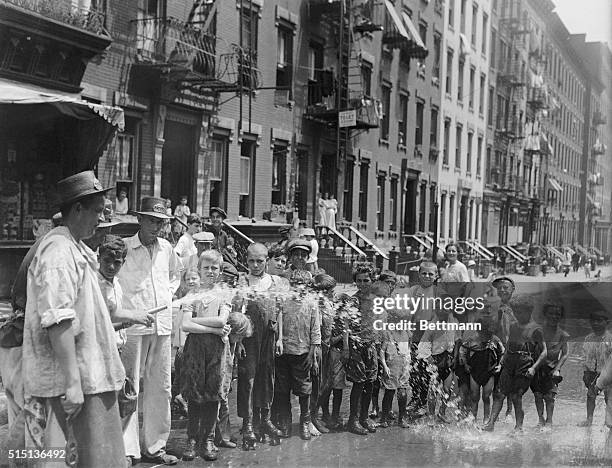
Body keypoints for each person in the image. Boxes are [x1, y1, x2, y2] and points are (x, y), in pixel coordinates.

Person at [22, 171, 126, 467]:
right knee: (65, 457)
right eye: (97, 211)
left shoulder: (75, 247)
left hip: (90, 376)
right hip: (73, 383)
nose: (101, 219)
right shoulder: (58, 253)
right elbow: (58, 320)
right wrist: (72, 384)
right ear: (77, 209)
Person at [118, 196, 183, 465]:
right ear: (140, 219)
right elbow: (112, 282)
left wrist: (166, 297)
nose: (157, 227)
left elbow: (175, 276)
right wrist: (129, 310)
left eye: (162, 222)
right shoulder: (125, 248)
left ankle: (155, 446)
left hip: (162, 325)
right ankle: (127, 449)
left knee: (161, 388)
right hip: (134, 326)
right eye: (152, 221)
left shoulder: (167, 248)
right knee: (129, 387)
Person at [180, 250, 231, 461]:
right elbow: (184, 325)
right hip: (195, 349)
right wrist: (214, 328)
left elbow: (222, 320)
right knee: (194, 394)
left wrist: (199, 323)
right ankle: (192, 439)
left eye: (214, 268)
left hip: (217, 349)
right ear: (199, 270)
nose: (210, 271)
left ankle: (209, 439)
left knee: (213, 392)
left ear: (219, 271)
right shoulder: (192, 294)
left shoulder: (224, 293)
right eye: (206, 268)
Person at [234, 243, 285, 449]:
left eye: (260, 261)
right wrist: (237, 342)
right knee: (248, 379)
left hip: (269, 337)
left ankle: (264, 419)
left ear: (266, 260)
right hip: (249, 338)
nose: (255, 265)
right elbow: (237, 314)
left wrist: (280, 338)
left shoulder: (276, 282)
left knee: (267, 378)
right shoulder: (243, 281)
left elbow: (279, 310)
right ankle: (247, 424)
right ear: (246, 260)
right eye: (251, 261)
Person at [272, 239, 321, 440]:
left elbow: (315, 326)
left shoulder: (311, 301)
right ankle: (284, 421)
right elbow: (278, 314)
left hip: (303, 351)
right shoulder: (283, 284)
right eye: (296, 254)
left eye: (303, 254)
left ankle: (306, 421)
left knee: (304, 388)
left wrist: (314, 351)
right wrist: (279, 339)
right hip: (284, 350)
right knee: (282, 388)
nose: (299, 288)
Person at [483, 296, 547, 432]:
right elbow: (508, 346)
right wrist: (501, 362)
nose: (518, 315)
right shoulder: (513, 326)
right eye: (515, 311)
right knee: (499, 394)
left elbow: (544, 353)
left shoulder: (536, 329)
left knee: (516, 396)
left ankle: (519, 427)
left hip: (525, 363)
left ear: (529, 311)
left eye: (520, 312)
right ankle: (491, 423)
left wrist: (534, 368)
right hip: (509, 361)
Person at [345, 279, 388, 435]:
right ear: (356, 281)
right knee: (358, 383)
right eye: (360, 280)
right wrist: (346, 347)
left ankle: (364, 417)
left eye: (367, 280)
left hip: (371, 346)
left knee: (370, 382)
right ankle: (353, 420)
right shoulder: (354, 300)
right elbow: (346, 325)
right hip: (357, 346)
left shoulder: (375, 299)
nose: (363, 284)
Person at [406, 262, 439, 418]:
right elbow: (408, 311)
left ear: (436, 276)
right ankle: (415, 397)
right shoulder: (413, 290)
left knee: (425, 369)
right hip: (414, 334)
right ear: (419, 274)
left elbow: (438, 315)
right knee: (413, 368)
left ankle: (424, 402)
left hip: (429, 335)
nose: (427, 276)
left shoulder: (438, 292)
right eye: (424, 273)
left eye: (430, 274)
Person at [417, 295, 457, 423]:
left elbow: (457, 340)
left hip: (448, 358)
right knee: (433, 390)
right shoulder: (432, 326)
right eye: (439, 308)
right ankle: (431, 415)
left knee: (447, 388)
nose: (442, 310)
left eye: (446, 308)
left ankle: (442, 412)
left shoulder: (454, 322)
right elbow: (422, 345)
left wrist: (455, 356)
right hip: (435, 358)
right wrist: (429, 359)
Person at [531, 301, 569, 428]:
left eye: (557, 314)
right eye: (551, 313)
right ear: (545, 314)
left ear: (561, 316)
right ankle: (540, 419)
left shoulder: (563, 335)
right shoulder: (537, 331)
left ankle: (549, 421)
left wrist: (557, 369)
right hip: (537, 368)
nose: (554, 316)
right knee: (537, 395)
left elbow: (565, 354)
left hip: (552, 368)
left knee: (550, 397)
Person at [461, 316, 504, 423]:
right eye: (483, 332)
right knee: (474, 396)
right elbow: (463, 351)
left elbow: (502, 352)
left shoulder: (495, 339)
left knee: (486, 396)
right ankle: (473, 418)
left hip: (489, 372)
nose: (485, 336)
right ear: (478, 330)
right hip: (475, 372)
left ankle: (486, 418)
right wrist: (465, 364)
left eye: (488, 333)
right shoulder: (472, 340)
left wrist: (500, 365)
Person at [378, 308, 412, 429]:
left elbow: (408, 348)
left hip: (403, 365)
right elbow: (381, 352)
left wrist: (408, 363)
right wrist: (385, 366)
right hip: (392, 366)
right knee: (389, 393)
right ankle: (384, 418)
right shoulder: (388, 333)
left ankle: (401, 418)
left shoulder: (407, 332)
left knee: (403, 393)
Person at [578, 311, 612, 427]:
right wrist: (586, 372)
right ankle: (589, 419)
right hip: (593, 372)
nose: (596, 323)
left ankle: (609, 420)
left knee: (609, 397)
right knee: (590, 395)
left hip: (608, 373)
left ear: (607, 323)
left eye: (599, 321)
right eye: (593, 321)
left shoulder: (610, 339)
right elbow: (585, 356)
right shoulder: (589, 338)